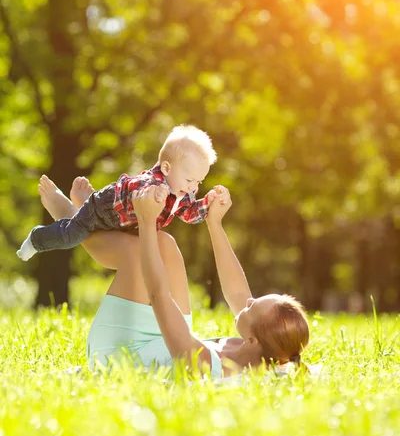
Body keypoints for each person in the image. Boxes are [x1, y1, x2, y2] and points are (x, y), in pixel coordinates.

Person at [39, 174, 309, 378]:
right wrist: (214, 223)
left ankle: (72, 219)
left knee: (136, 255)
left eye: (252, 307)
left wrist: (146, 221)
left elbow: (159, 295)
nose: (248, 302)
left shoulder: (203, 365)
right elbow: (238, 294)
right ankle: (83, 218)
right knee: (165, 244)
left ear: (254, 340)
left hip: (120, 353)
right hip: (160, 336)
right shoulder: (260, 347)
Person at [17, 125, 226, 261]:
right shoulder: (152, 182)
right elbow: (138, 188)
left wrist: (209, 203)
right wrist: (152, 193)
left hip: (126, 227)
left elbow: (190, 215)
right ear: (167, 168)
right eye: (190, 180)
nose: (193, 187)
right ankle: (38, 238)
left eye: (199, 182)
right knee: (73, 235)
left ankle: (76, 206)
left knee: (127, 249)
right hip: (101, 211)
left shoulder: (182, 191)